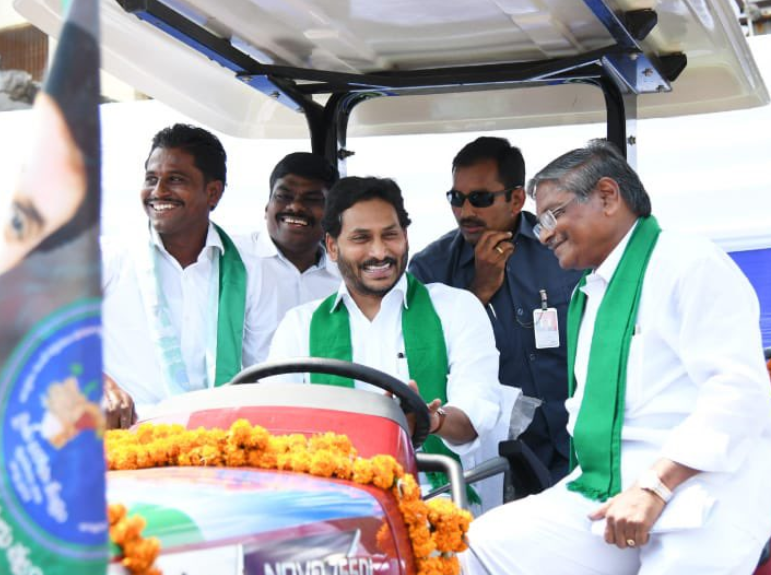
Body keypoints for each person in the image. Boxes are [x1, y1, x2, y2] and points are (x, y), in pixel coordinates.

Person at [463, 141, 771, 575]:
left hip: (705, 493)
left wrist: (656, 485)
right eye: (540, 222)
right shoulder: (592, 292)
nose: (544, 234)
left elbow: (738, 393)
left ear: (607, 196)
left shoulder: (688, 263)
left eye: (555, 215)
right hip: (609, 491)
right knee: (482, 546)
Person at [267, 176, 515, 511]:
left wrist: (432, 421)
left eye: (390, 235)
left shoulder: (457, 308)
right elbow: (280, 430)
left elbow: (477, 413)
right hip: (334, 506)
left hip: (441, 501)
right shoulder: (299, 326)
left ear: (406, 237)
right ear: (332, 246)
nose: (380, 252)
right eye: (361, 238)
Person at [410, 137, 581, 483]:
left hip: (577, 444)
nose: (466, 211)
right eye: (456, 199)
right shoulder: (430, 269)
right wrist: (480, 289)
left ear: (516, 199)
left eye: (481, 199)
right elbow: (428, 358)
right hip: (493, 459)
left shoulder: (566, 247)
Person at [101, 124, 278, 426]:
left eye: (176, 180)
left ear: (213, 193)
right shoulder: (109, 257)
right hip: (125, 440)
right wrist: (105, 388)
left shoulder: (251, 269)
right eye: (151, 179)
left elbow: (262, 372)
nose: (158, 192)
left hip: (212, 444)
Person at [232, 152, 341, 319]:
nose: (296, 206)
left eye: (312, 199)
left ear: (332, 215)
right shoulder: (233, 260)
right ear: (267, 207)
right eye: (283, 196)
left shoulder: (345, 276)